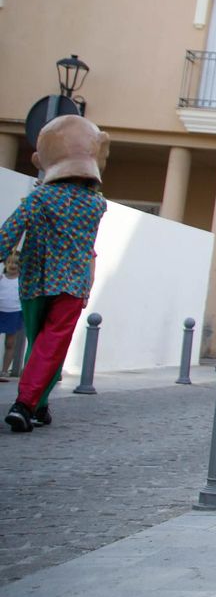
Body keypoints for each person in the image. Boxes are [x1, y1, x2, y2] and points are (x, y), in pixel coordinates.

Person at [2, 115, 109, 433]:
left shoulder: (38, 198)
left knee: (39, 342)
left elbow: (8, 235)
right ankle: (27, 405)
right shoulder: (96, 204)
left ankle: (35, 403)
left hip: (35, 280)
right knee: (52, 345)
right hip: (72, 284)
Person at [0, 255, 21, 383]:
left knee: (10, 343)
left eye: (16, 263)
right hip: (1, 310)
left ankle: (4, 370)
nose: (12, 265)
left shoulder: (21, 280)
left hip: (14, 312)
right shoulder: (1, 278)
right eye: (9, 262)